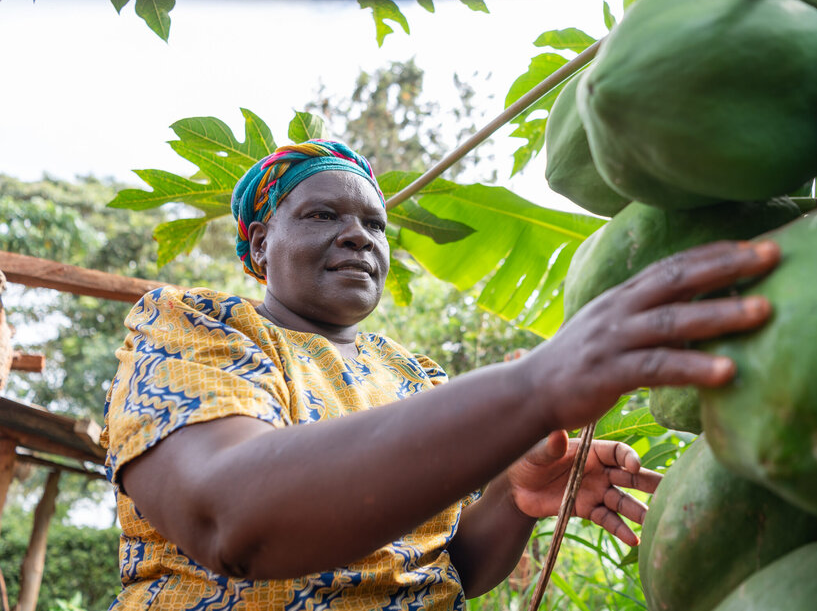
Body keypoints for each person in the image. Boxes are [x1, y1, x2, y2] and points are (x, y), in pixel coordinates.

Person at [101, 139, 779, 609]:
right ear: (258, 244)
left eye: (374, 222)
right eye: (322, 214)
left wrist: (514, 496)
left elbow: (455, 569)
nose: (359, 234)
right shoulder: (196, 326)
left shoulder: (415, 374)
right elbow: (232, 516)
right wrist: (532, 385)